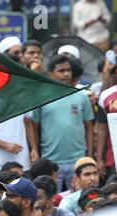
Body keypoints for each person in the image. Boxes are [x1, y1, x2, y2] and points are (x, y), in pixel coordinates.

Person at [32, 55, 94, 193]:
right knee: (51, 200)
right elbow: (34, 126)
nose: (66, 74)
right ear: (50, 73)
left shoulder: (81, 95)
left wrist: (89, 154)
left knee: (80, 201)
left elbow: (89, 126)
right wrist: (35, 150)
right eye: (61, 71)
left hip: (78, 159)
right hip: (51, 161)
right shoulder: (41, 96)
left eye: (68, 70)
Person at [0, 109, 38, 188]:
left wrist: (34, 149)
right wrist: (5, 145)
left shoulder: (22, 97)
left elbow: (28, 123)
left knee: (25, 197)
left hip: (22, 165)